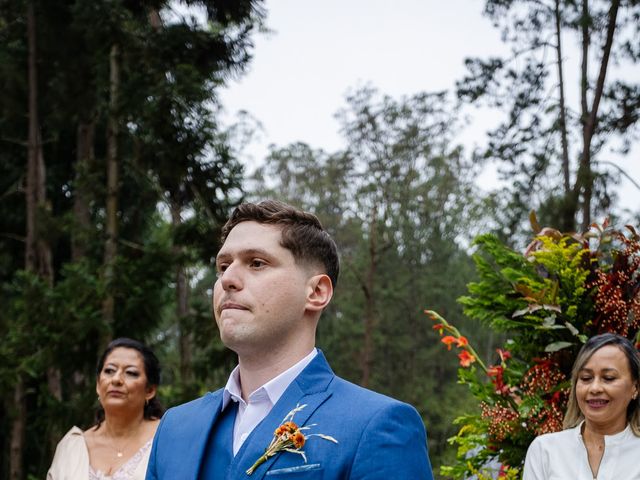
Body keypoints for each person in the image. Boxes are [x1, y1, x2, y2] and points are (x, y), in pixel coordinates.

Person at [146, 200, 433, 479]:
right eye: (222, 266)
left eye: (256, 263)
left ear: (317, 292)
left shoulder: (377, 425)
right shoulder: (174, 427)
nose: (227, 279)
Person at [523, 333, 640, 480]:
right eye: (586, 378)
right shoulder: (545, 450)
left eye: (608, 378)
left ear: (635, 387)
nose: (595, 388)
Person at [48, 338, 164, 480]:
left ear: (150, 390)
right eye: (109, 370)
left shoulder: (166, 439)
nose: (116, 379)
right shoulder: (72, 448)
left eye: (131, 372)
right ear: (98, 385)